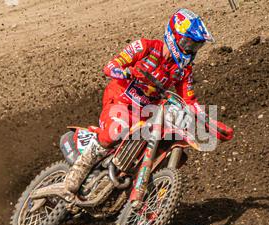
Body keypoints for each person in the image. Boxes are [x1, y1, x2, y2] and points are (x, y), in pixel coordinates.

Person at [61, 8, 233, 205]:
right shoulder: (145, 47)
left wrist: (211, 123)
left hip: (144, 114)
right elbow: (111, 66)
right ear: (174, 36)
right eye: (188, 43)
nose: (190, 50)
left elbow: (190, 101)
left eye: (195, 46)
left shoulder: (183, 70)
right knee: (116, 130)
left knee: (163, 136)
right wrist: (125, 72)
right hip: (119, 101)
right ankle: (72, 180)